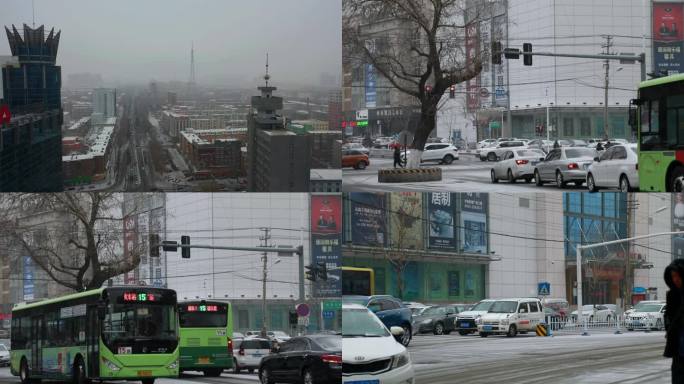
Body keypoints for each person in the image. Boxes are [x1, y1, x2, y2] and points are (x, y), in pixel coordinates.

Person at [664, 258, 684, 383]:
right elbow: (668, 315)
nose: (675, 279)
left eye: (678, 276)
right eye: (673, 276)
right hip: (678, 347)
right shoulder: (672, 295)